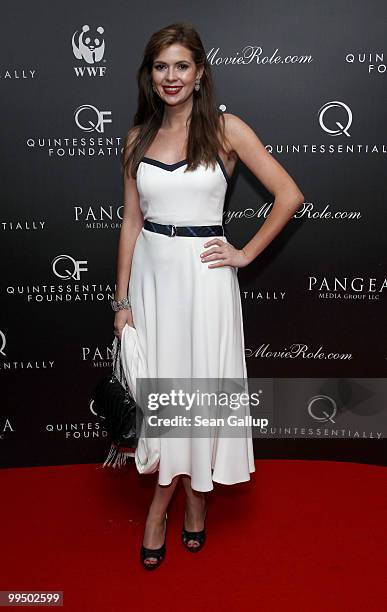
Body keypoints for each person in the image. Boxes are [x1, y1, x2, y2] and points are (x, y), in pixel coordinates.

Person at [112, 22, 304, 570]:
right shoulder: (136, 139)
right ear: (149, 76)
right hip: (152, 281)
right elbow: (130, 223)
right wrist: (121, 301)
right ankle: (180, 499)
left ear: (199, 73)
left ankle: (179, 501)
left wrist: (243, 253)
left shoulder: (226, 129)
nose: (170, 77)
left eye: (181, 66)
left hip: (204, 282)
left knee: (195, 394)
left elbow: (289, 194)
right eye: (160, 67)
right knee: (163, 397)